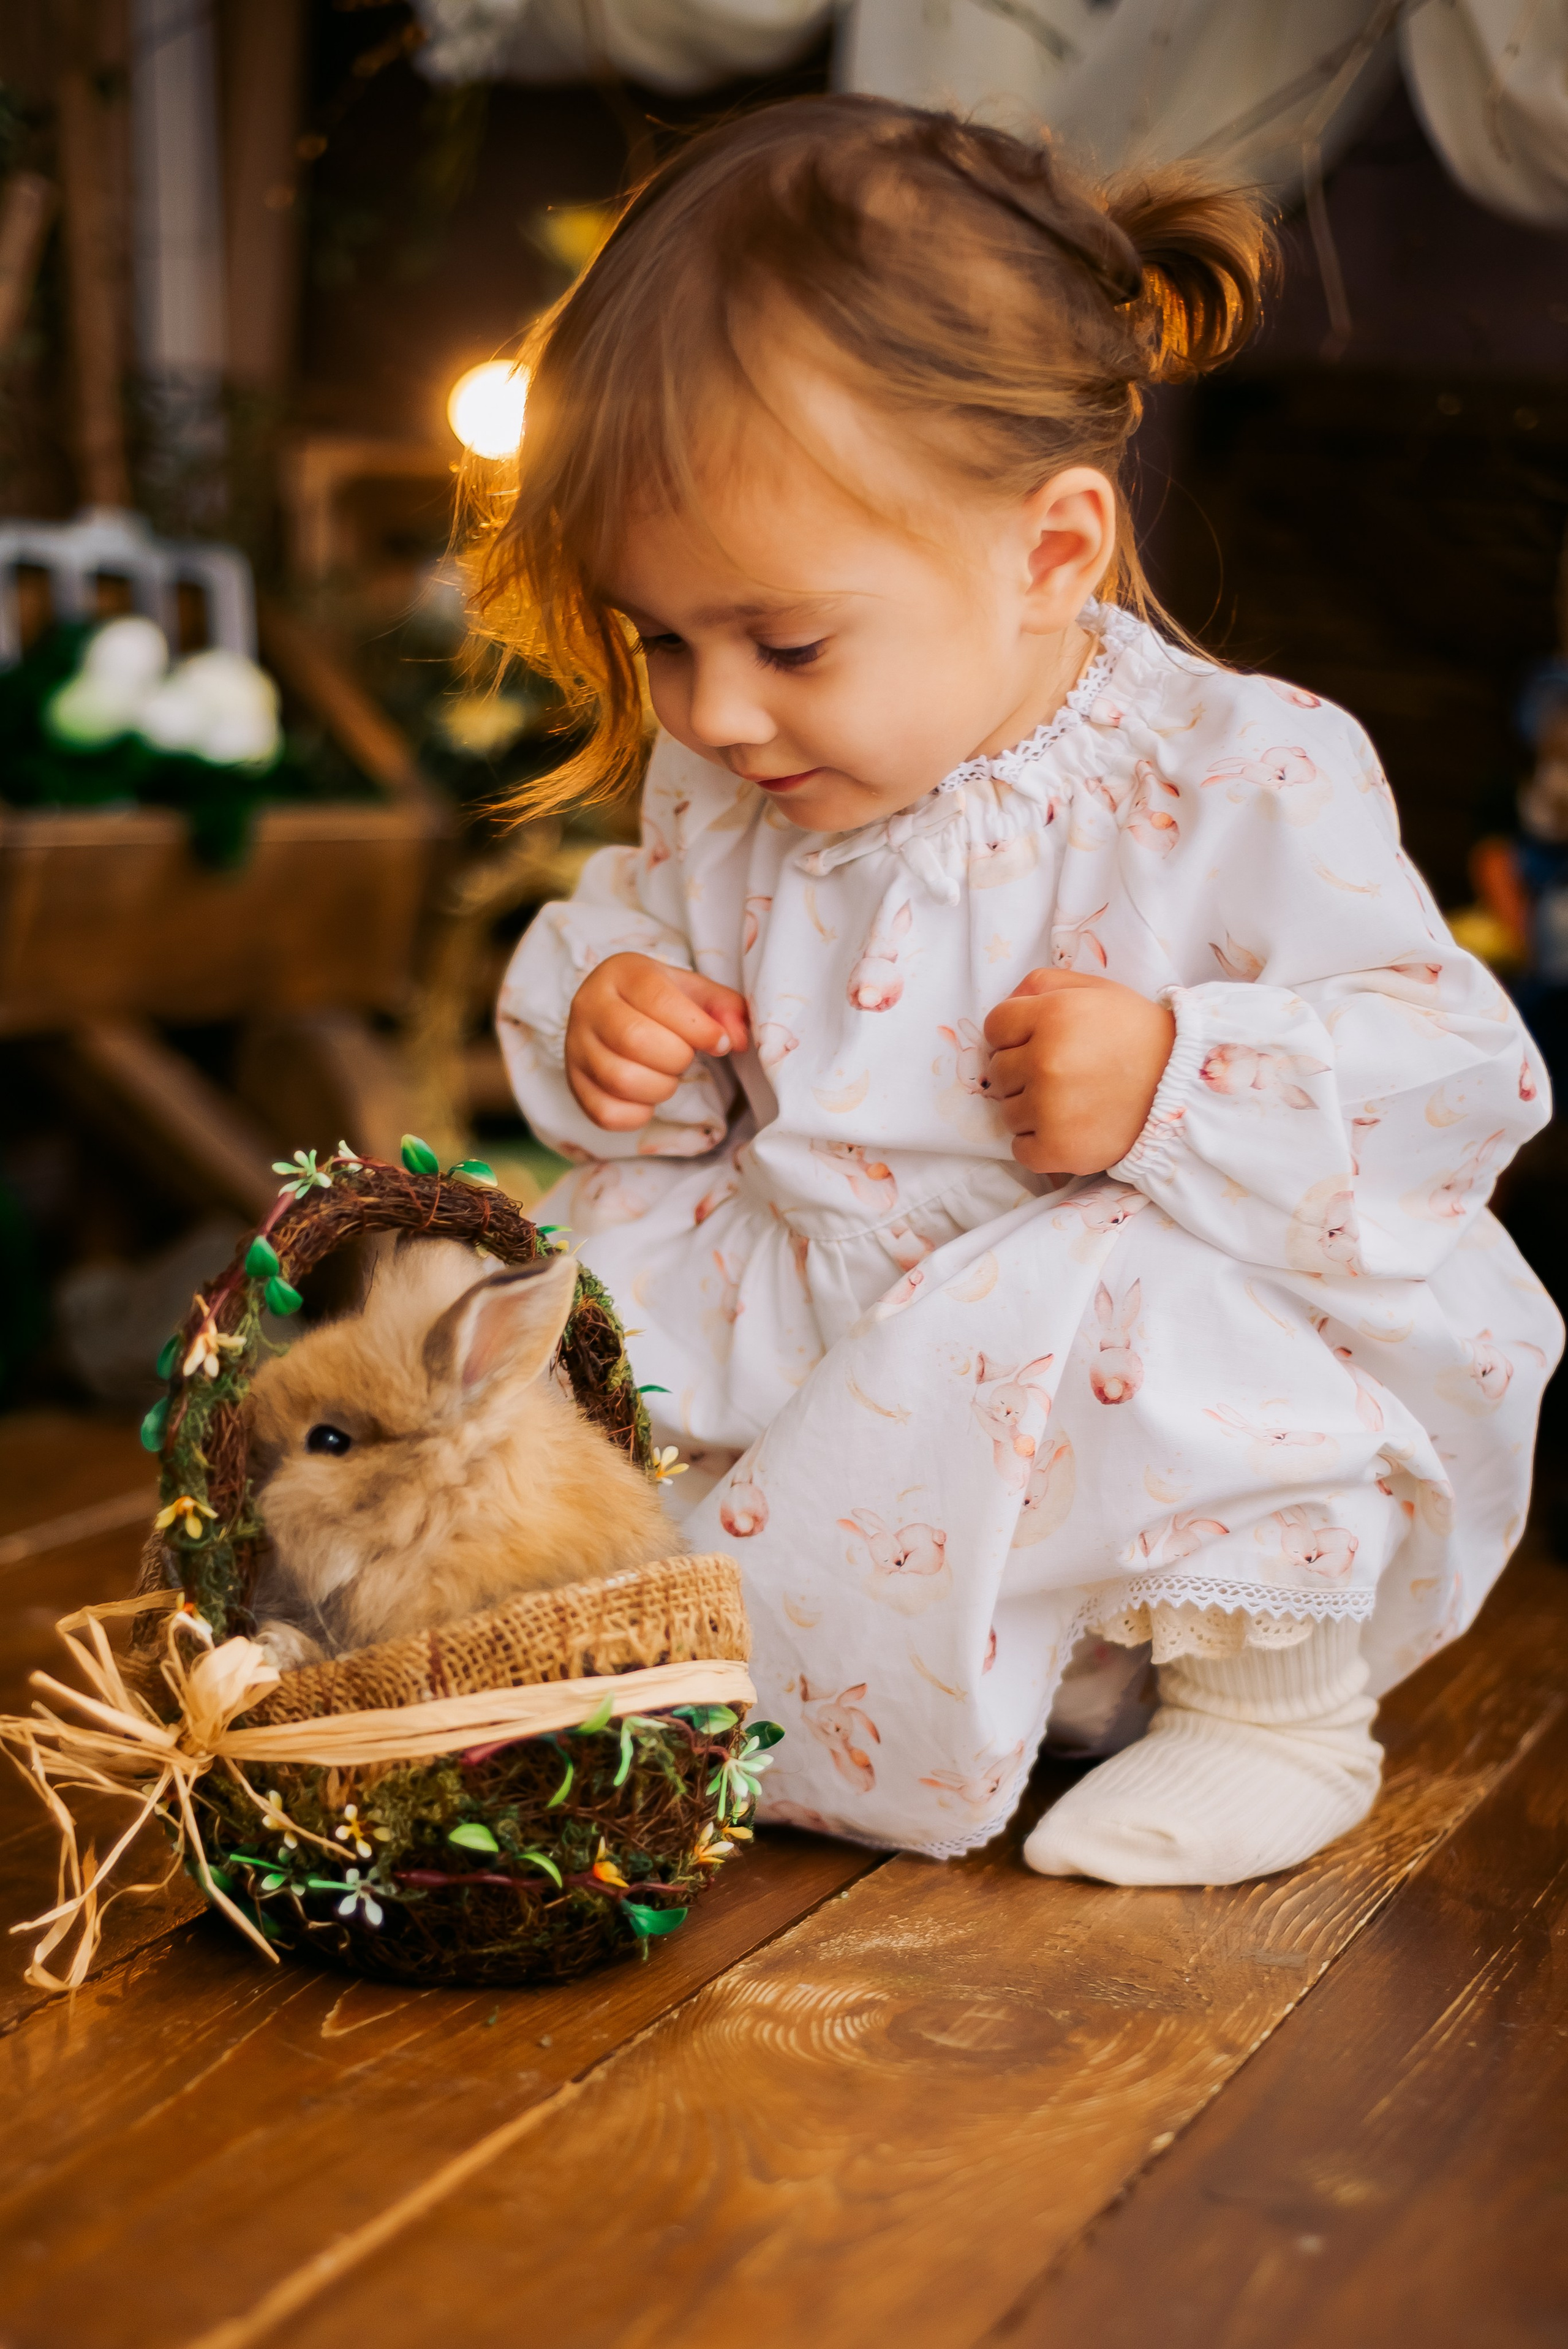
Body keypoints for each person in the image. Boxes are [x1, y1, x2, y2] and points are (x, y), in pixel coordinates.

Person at [481, 96, 1560, 1883]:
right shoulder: (734, 781)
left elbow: (1449, 1078)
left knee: (1169, 1306)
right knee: (569, 1327)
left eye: (783, 641)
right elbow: (639, 945)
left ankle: (1269, 1708)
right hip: (836, 1365)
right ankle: (726, 1672)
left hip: (1095, 1394)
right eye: (659, 636)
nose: (712, 711)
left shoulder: (1235, 776)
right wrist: (622, 1023)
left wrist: (1176, 1080)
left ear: (1050, 552)